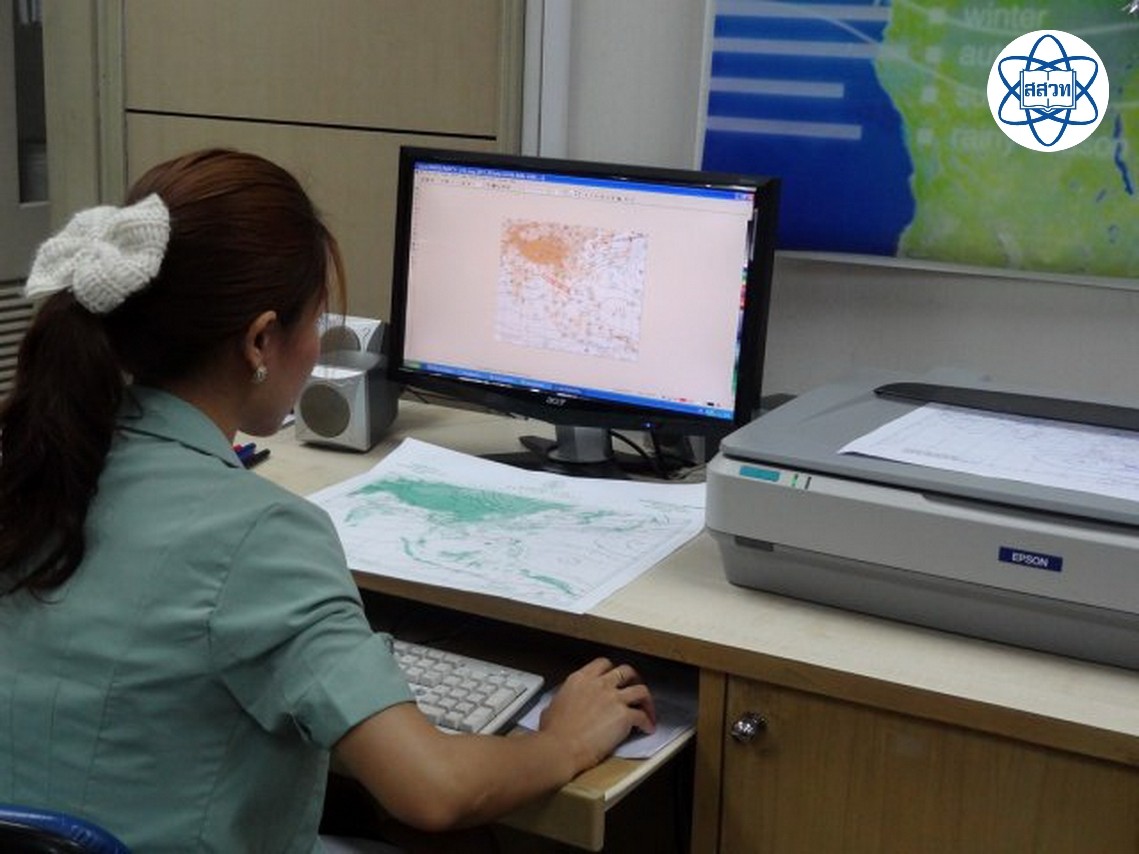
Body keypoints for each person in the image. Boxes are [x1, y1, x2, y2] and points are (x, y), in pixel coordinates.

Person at [0, 148, 656, 853]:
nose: (317, 348)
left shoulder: (31, 468)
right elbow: (434, 790)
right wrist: (563, 741)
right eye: (316, 322)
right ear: (260, 340)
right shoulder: (261, 536)